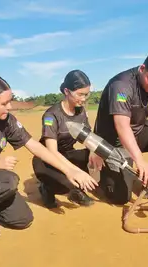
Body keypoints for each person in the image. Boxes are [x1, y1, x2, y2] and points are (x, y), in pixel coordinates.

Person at [0, 74, 97, 239]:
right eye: (4, 103)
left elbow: (35, 146)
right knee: (8, 180)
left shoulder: (6, 120)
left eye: (10, 101)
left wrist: (69, 170)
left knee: (23, 219)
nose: (9, 107)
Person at [91, 50, 148, 205]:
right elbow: (122, 127)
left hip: (137, 134)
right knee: (121, 197)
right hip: (113, 142)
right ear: (142, 68)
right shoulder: (121, 86)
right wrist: (140, 161)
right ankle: (99, 171)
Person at [32, 70, 98, 209]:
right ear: (67, 91)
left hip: (67, 153)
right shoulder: (51, 115)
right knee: (66, 183)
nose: (84, 99)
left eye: (86, 94)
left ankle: (77, 190)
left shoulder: (81, 112)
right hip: (46, 159)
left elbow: (88, 137)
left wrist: (93, 152)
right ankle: (47, 188)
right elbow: (52, 152)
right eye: (80, 94)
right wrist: (76, 171)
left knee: (97, 155)